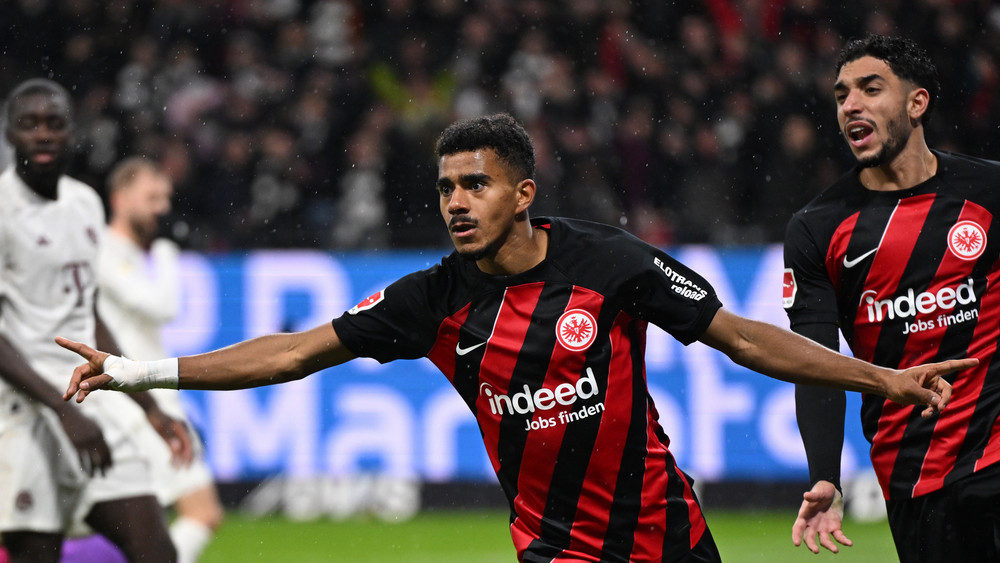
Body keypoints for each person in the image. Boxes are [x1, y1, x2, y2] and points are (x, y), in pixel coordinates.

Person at [61, 112, 975, 563]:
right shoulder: (432, 298)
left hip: (672, 535)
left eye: (477, 185)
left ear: (523, 194)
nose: (457, 201)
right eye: (449, 185)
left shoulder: (609, 263)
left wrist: (882, 381)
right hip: (556, 551)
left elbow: (741, 338)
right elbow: (293, 350)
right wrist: (136, 371)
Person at [784, 35, 1000, 562]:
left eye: (870, 88)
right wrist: (825, 476)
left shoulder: (990, 191)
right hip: (914, 475)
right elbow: (815, 364)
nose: (850, 105)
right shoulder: (819, 227)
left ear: (916, 101)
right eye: (840, 95)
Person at [0, 78, 190, 563]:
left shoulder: (84, 203)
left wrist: (148, 406)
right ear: (9, 134)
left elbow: (88, 312)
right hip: (22, 412)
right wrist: (62, 413)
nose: (43, 134)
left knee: (157, 551)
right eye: (29, 124)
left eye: (54, 124)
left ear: (71, 132)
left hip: (88, 403)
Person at [95, 157, 223, 563]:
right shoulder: (100, 249)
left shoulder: (132, 256)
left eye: (166, 198)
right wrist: (168, 253)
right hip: (132, 405)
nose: (162, 208)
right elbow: (162, 306)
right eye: (151, 197)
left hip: (144, 399)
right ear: (119, 198)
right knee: (201, 512)